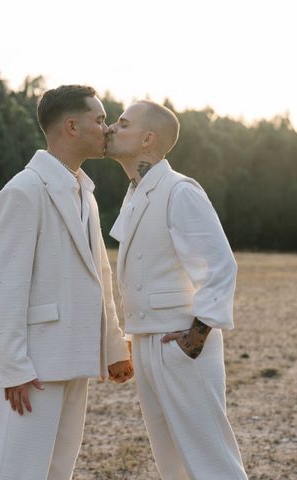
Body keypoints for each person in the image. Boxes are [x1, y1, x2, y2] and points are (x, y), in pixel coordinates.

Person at [0, 85, 133, 480]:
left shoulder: (86, 192)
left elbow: (100, 275)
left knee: (55, 471)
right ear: (70, 126)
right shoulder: (23, 191)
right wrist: (13, 368)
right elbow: (5, 285)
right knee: (12, 471)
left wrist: (113, 347)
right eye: (99, 120)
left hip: (75, 357)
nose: (107, 128)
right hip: (34, 365)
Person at [106, 100, 248, 479]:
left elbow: (220, 265)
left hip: (180, 343)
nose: (111, 129)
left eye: (122, 123)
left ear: (148, 138)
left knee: (211, 460)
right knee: (173, 463)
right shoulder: (136, 191)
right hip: (149, 341)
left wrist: (195, 338)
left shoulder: (180, 191)